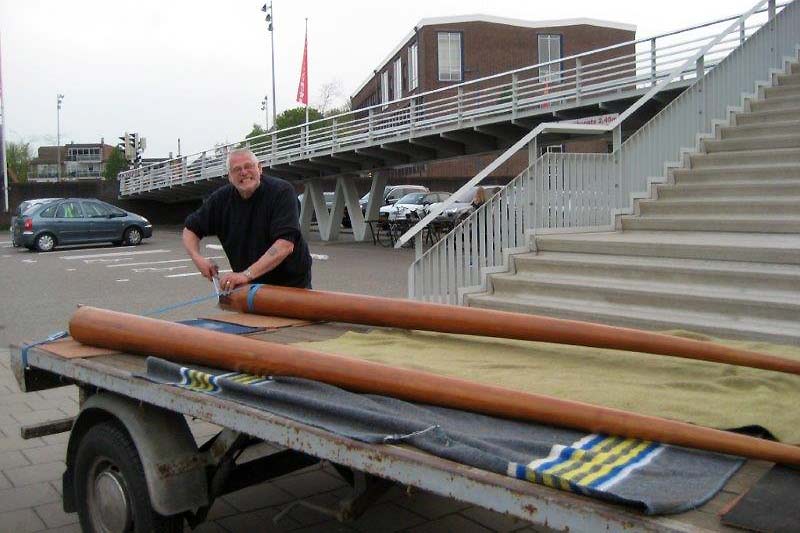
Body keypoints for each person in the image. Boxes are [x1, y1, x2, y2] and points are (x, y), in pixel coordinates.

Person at [182, 148, 312, 292]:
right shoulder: (220, 200)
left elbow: (285, 245)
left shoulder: (281, 192)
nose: (243, 172)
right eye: (236, 169)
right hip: (249, 286)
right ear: (229, 176)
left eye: (248, 166)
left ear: (260, 168)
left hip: (291, 285)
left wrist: (246, 274)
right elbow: (190, 230)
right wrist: (197, 258)